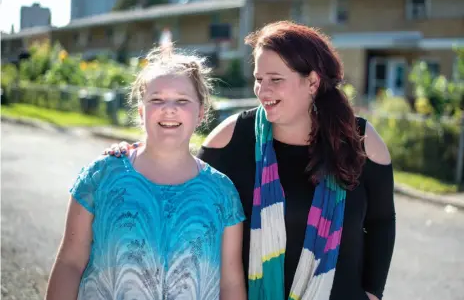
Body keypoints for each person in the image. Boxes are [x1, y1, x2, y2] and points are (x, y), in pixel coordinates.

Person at [106, 21, 396, 300]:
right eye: (259, 80)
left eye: (275, 80)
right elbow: (183, 186)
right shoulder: (234, 137)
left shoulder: (361, 140)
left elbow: (381, 221)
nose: (263, 91)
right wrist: (133, 155)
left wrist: (373, 293)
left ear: (312, 82)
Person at [46, 47, 247, 300]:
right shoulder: (100, 177)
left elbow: (230, 283)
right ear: (142, 112)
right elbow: (70, 264)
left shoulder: (222, 193)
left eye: (182, 100)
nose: (169, 109)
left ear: (201, 112)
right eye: (157, 100)